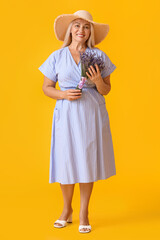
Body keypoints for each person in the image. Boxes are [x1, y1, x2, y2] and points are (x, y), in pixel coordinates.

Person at [38, 10, 117, 233]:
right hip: (66, 114)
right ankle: (66, 210)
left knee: (86, 160)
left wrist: (97, 80)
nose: (81, 30)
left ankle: (83, 212)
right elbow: (46, 88)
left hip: (90, 114)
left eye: (86, 26)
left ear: (90, 31)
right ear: (70, 30)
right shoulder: (57, 56)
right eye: (77, 26)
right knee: (66, 159)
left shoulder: (99, 56)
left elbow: (106, 90)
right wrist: (63, 95)